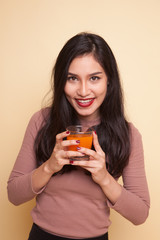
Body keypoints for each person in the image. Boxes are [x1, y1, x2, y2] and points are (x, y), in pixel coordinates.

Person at [7, 32, 150, 240]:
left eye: (94, 78)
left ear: (109, 81)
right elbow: (14, 194)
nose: (83, 91)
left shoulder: (128, 135)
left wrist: (104, 178)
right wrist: (49, 167)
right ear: (61, 81)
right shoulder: (42, 120)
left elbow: (140, 214)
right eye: (72, 78)